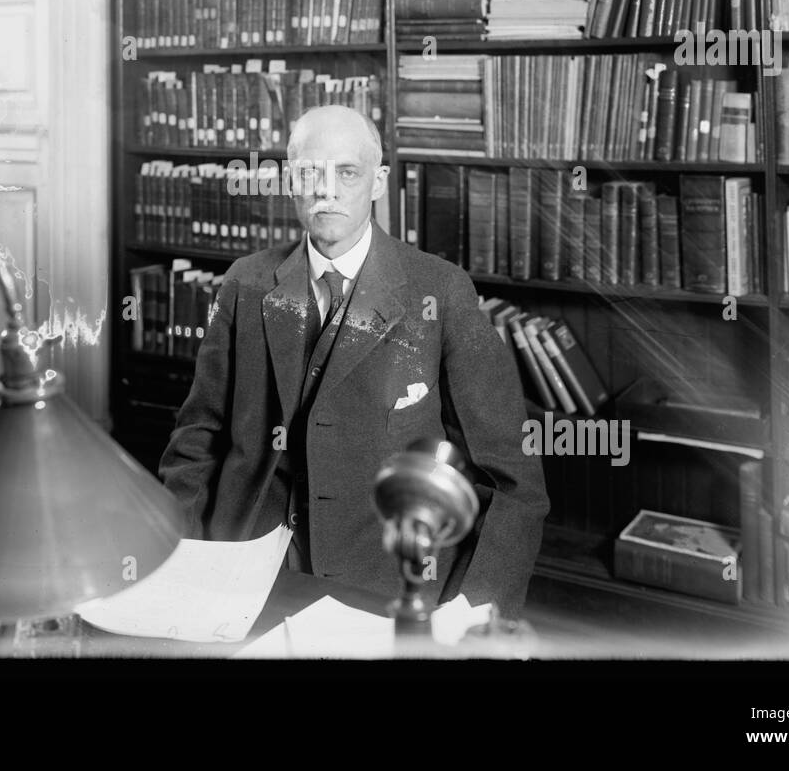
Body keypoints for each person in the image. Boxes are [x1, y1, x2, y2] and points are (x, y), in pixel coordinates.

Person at [158, 104, 548, 618]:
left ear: (379, 181)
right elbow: (197, 438)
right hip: (247, 566)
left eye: (347, 172)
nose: (327, 190)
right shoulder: (245, 283)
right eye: (309, 173)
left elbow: (513, 480)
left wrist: (475, 609)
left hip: (389, 576)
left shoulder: (438, 291)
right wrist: (178, 562)